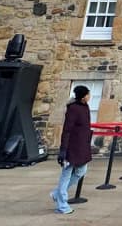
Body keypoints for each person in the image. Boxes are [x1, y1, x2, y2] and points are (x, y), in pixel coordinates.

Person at [50, 85, 92, 215]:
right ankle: (62, 205)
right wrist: (63, 150)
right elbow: (67, 130)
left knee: (81, 171)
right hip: (72, 147)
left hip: (82, 146)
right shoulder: (73, 109)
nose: (89, 96)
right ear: (84, 96)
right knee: (66, 175)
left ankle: (57, 194)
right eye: (88, 94)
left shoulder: (85, 107)